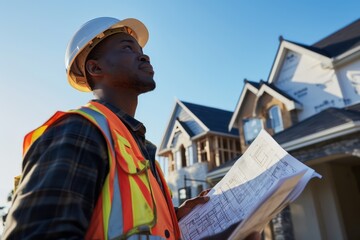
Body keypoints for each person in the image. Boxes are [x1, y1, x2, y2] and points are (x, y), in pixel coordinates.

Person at [2, 17, 260, 240]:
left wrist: (176, 223)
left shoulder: (138, 149)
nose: (144, 55)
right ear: (95, 67)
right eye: (127, 47)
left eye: (141, 49)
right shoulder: (81, 130)